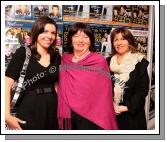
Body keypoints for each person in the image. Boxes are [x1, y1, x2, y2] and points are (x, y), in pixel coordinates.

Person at [57, 22, 118, 130]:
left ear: (90, 41)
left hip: (91, 116)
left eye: (85, 37)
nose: (80, 40)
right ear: (71, 40)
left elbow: (105, 94)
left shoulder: (99, 61)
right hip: (69, 114)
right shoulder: (64, 60)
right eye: (76, 36)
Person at [5, 16, 61, 130]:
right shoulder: (23, 53)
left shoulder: (56, 57)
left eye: (53, 33)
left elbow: (57, 85)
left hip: (53, 110)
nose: (49, 36)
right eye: (45, 31)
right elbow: (6, 84)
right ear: (36, 32)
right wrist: (6, 115)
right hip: (29, 110)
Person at [107, 27, 149, 130]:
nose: (119, 43)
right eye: (116, 40)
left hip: (132, 116)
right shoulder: (107, 62)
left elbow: (142, 90)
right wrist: (110, 104)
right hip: (111, 113)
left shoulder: (139, 62)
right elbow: (102, 87)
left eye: (123, 39)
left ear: (129, 41)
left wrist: (127, 108)